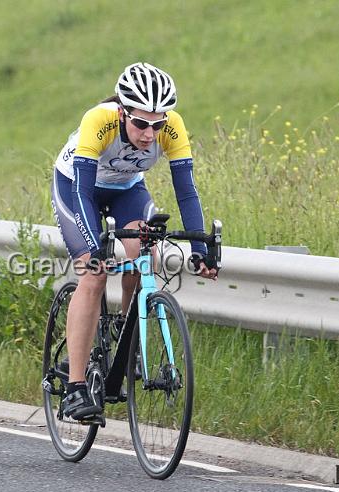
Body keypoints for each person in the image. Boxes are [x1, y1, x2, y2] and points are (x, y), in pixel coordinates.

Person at [50, 62, 218, 420]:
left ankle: (126, 332)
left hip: (127, 190)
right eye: (140, 123)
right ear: (123, 112)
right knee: (93, 274)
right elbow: (82, 189)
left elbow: (186, 193)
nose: (148, 134)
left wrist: (201, 249)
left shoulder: (172, 127)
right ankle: (76, 389)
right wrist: (93, 248)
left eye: (157, 124)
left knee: (147, 256)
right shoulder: (99, 120)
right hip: (77, 188)